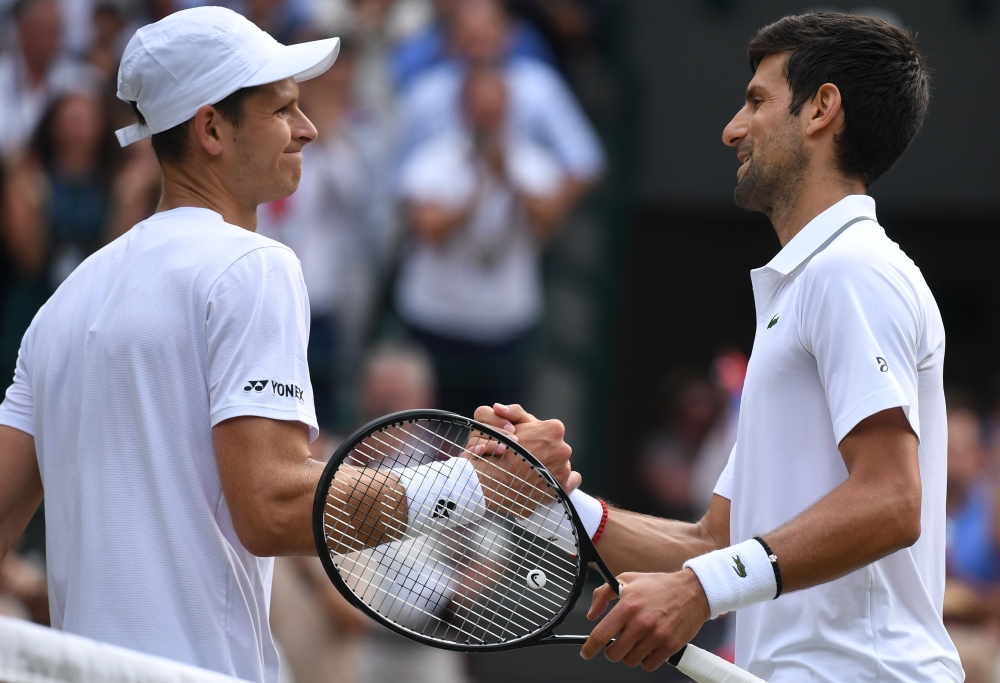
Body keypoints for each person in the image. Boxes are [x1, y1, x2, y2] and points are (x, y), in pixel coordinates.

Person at [0, 7, 576, 682]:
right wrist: (474, 483)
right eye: (283, 110)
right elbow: (271, 505)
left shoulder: (64, 303)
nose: (307, 128)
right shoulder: (253, 265)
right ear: (212, 127)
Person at [480, 12, 963, 681]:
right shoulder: (806, 290)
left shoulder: (850, 269)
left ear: (823, 109)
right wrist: (556, 499)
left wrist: (702, 587)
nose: (732, 128)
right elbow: (712, 542)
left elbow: (890, 499)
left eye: (758, 101)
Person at [396, 64, 569, 417]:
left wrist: (508, 179)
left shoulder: (533, 163)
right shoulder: (434, 159)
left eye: (496, 110)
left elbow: (549, 225)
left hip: (503, 325)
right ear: (464, 108)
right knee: (431, 429)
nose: (488, 119)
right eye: (481, 109)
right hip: (436, 319)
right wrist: (474, 193)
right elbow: (429, 230)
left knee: (500, 432)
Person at [397, 0, 603, 191]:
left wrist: (546, 210)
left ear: (509, 32)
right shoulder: (425, 92)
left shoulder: (540, 85)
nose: (478, 38)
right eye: (469, 31)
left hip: (522, 216)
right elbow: (398, 172)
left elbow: (585, 161)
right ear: (451, 37)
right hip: (439, 215)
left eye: (486, 27)